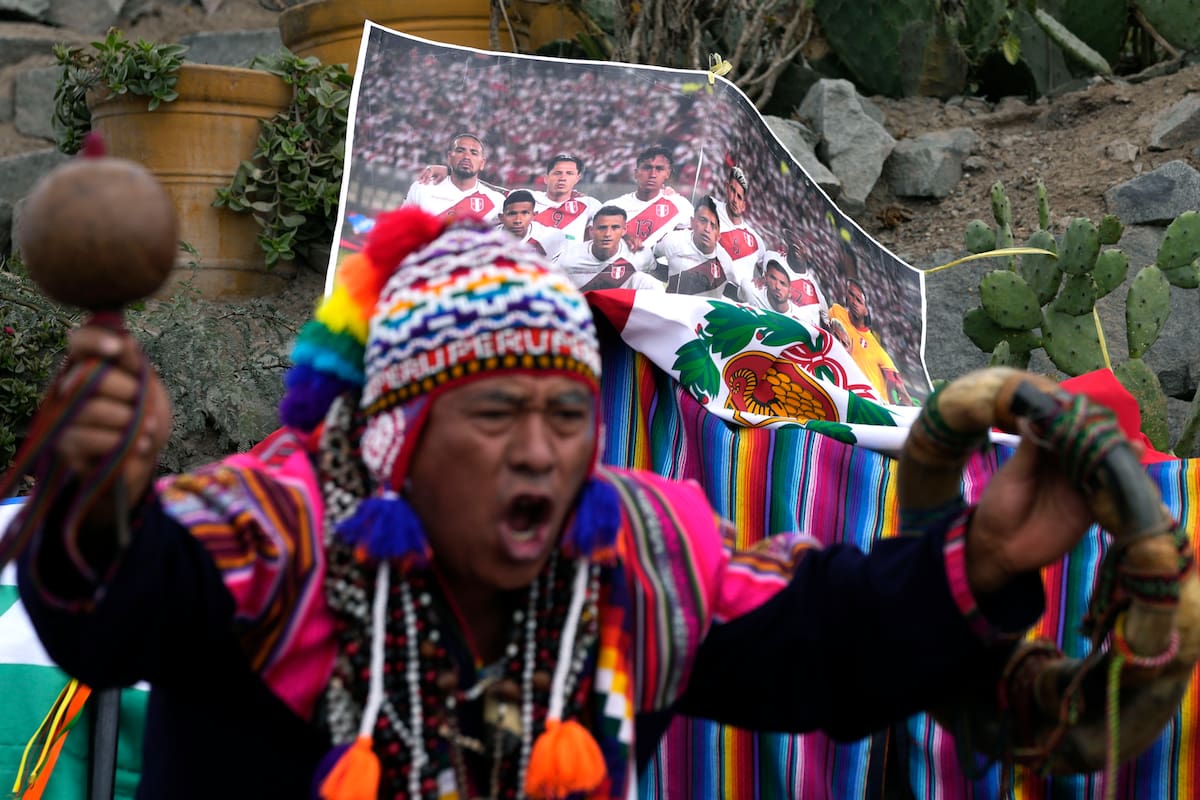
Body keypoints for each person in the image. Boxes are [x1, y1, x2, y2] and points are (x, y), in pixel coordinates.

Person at [13, 207, 1095, 800]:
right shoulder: (280, 523)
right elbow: (110, 615)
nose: (540, 452)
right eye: (494, 416)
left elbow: (824, 635)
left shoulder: (639, 549)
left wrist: (987, 551)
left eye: (566, 414)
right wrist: (94, 491)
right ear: (400, 431)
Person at [829, 278, 914, 405]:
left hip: (874, 405)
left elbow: (897, 383)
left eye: (859, 300)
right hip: (844, 397)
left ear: (866, 310)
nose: (853, 302)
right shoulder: (836, 312)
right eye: (851, 295)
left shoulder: (875, 347)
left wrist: (909, 403)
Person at [605, 145, 694, 252]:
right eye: (647, 168)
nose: (652, 174)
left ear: (668, 174)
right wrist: (623, 237)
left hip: (659, 267)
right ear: (636, 173)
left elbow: (691, 241)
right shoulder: (613, 206)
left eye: (659, 169)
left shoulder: (680, 205)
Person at [654, 195, 747, 298]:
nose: (707, 229)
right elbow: (650, 258)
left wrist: (745, 294)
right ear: (692, 222)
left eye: (713, 226)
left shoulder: (725, 262)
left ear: (718, 236)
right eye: (703, 220)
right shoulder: (673, 240)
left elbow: (731, 290)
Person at [554, 205, 661, 291]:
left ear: (624, 230)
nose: (607, 234)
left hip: (623, 312)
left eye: (615, 228)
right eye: (602, 228)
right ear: (591, 231)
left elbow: (659, 281)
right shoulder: (569, 257)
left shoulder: (640, 254)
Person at [404, 132, 506, 222]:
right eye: (460, 151)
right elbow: (402, 227)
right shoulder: (422, 188)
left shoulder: (497, 201)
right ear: (449, 157)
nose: (466, 156)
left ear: (482, 163)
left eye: (474, 153)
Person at [713, 166, 767, 303]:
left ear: (744, 204)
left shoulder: (756, 240)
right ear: (726, 187)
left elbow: (768, 272)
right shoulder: (710, 206)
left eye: (739, 197)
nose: (734, 200)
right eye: (732, 190)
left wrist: (764, 279)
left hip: (737, 305)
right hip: (709, 291)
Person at [529, 153, 602, 246]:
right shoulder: (528, 198)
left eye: (569, 173)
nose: (562, 178)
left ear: (577, 179)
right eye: (557, 173)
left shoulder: (590, 204)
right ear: (546, 178)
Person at [499, 190, 564, 259]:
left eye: (525, 213)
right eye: (512, 214)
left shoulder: (550, 237)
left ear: (534, 215)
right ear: (501, 217)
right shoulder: (488, 238)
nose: (518, 220)